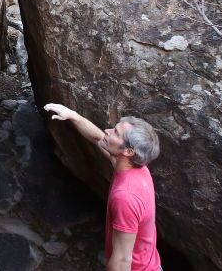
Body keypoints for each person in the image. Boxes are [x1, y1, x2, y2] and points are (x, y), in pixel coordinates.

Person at [43, 103, 161, 271]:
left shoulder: (125, 197)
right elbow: (98, 137)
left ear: (128, 152)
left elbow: (121, 262)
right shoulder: (139, 170)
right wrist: (73, 116)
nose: (108, 130)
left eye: (116, 133)